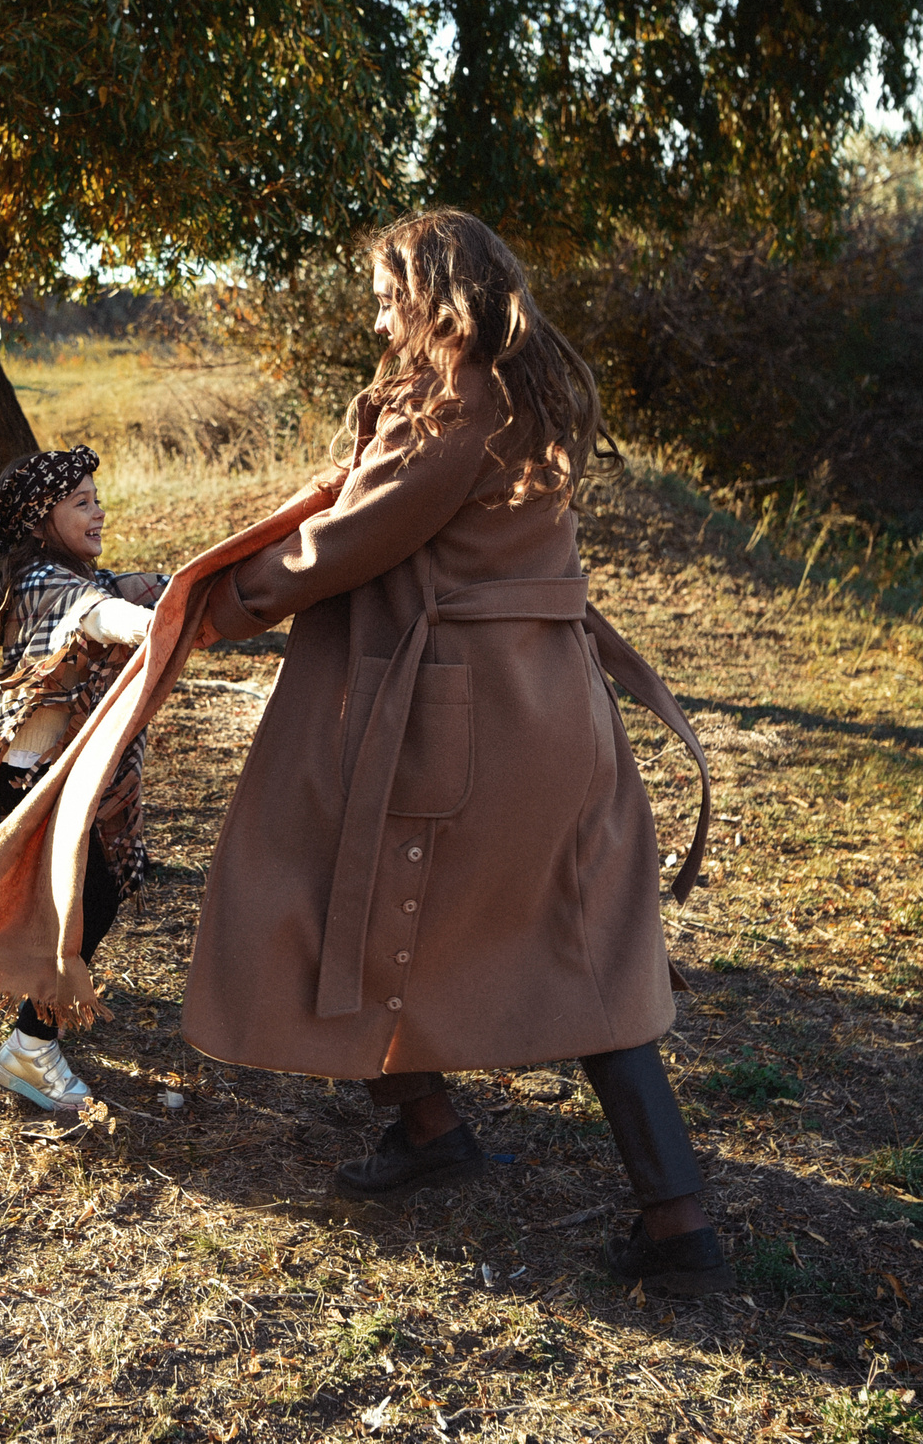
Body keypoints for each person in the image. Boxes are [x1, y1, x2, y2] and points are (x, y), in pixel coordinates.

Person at [183, 208, 731, 1295]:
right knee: (579, 940)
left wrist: (209, 609)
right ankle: (497, 1151)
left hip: (468, 713)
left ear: (440, 290)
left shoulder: (455, 402)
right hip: (545, 700)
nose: (377, 311)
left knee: (323, 880)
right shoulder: (519, 389)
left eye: (390, 291)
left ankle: (662, 1220)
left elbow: (349, 540)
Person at [0, 448, 165, 1112]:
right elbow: (99, 615)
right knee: (74, 908)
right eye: (82, 502)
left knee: (94, 898)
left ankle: (32, 1038)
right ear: (40, 519)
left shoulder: (78, 573)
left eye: (97, 497)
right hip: (37, 790)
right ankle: (29, 1046)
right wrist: (154, 624)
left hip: (63, 788)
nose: (100, 511)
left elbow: (132, 589)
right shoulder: (45, 583)